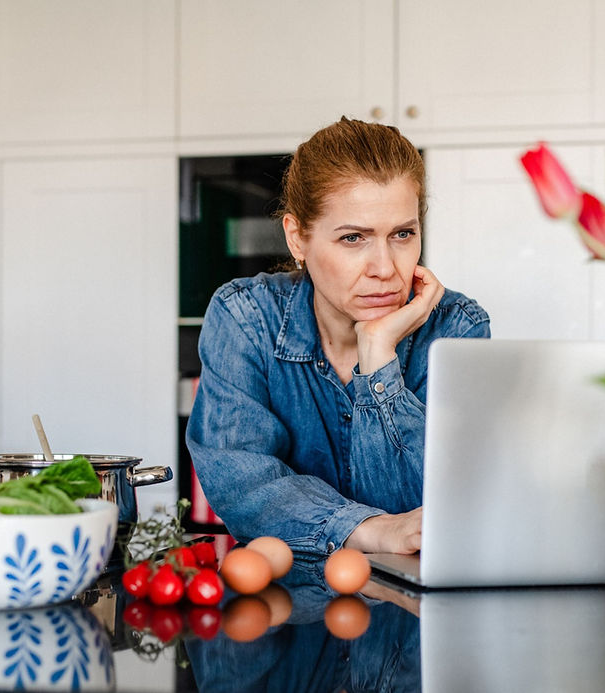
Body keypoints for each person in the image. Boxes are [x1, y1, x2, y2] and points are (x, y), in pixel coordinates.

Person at [186, 117, 490, 556]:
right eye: (353, 238)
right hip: (286, 606)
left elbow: (432, 510)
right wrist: (367, 530)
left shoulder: (455, 329)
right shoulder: (245, 317)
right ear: (298, 238)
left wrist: (378, 355)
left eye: (402, 234)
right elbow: (244, 485)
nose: (385, 268)